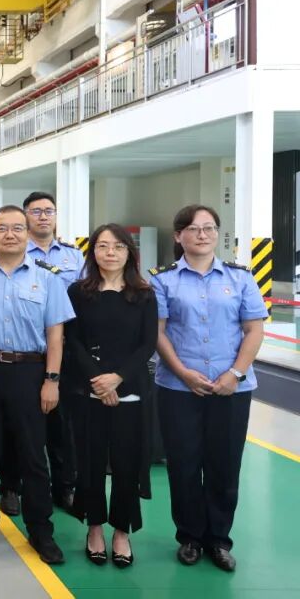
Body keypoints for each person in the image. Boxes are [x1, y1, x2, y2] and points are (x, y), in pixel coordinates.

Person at [150, 205, 266, 572]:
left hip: (231, 389)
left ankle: (218, 539)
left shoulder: (240, 277)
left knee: (224, 464)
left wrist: (235, 373)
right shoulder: (162, 280)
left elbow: (254, 329)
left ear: (217, 234)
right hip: (177, 388)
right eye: (194, 228)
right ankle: (189, 537)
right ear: (178, 235)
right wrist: (183, 373)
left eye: (209, 228)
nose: (202, 234)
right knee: (183, 464)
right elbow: (157, 332)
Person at [0, 205, 74, 565]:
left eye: (16, 228)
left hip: (30, 371)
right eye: (1, 228)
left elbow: (55, 336)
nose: (9, 235)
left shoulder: (48, 279)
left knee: (33, 456)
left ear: (27, 233)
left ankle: (41, 531)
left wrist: (52, 380)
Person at [64, 224, 156, 568]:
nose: (110, 253)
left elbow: (147, 343)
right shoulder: (78, 292)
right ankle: (94, 528)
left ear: (129, 252)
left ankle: (121, 531)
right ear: (93, 253)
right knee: (89, 462)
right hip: (87, 391)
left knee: (126, 464)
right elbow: (73, 341)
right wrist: (98, 382)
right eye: (103, 246)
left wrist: (117, 379)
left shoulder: (144, 293)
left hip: (130, 391)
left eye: (118, 246)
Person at [0, 191, 83, 517]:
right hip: (25, 348)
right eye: (36, 212)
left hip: (66, 347)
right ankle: (11, 486)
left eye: (49, 211)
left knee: (62, 422)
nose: (43, 216)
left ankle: (65, 487)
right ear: (25, 218)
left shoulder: (74, 257)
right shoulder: (15, 252)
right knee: (14, 423)